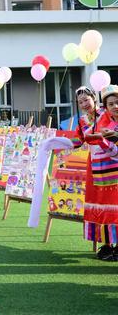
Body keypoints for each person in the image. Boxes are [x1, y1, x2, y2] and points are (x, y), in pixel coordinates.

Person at [73, 85, 118, 261]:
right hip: (95, 167)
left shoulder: (106, 113)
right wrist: (56, 142)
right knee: (99, 205)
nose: (84, 104)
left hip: (113, 164)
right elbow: (78, 140)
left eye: (86, 99)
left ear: (94, 98)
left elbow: (111, 135)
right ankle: (106, 244)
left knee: (114, 205)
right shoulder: (82, 120)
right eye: (80, 102)